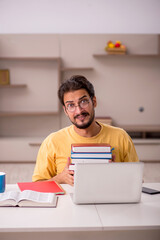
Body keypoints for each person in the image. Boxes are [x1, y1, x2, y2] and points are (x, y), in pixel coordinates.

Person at [32, 75, 139, 185]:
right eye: (71, 105)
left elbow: (137, 182)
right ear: (65, 110)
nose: (78, 111)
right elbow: (37, 186)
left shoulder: (121, 137)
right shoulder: (52, 141)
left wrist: (116, 174)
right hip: (68, 202)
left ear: (94, 101)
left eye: (83, 102)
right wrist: (60, 178)